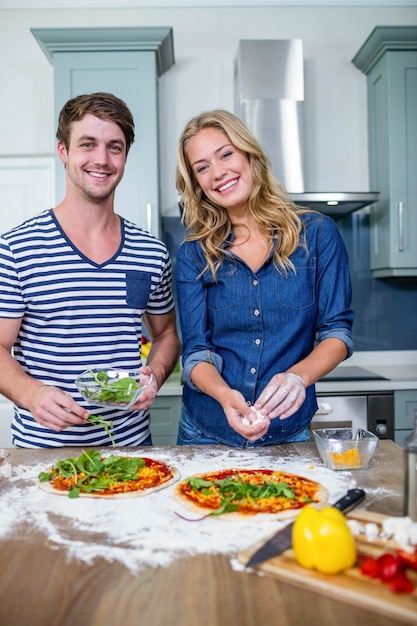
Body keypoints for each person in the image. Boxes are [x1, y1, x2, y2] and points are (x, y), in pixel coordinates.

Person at [0, 92, 181, 448]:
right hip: (44, 453)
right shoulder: (15, 249)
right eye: (88, 144)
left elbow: (166, 335)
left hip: (132, 451)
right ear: (63, 152)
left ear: (125, 156)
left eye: (115, 147)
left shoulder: (151, 252)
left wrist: (155, 376)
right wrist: (31, 393)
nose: (102, 159)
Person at [175, 109, 354, 448]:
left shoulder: (316, 235)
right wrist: (225, 395)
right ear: (197, 184)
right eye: (202, 167)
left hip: (288, 432)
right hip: (206, 431)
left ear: (248, 154)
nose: (218, 173)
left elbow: (337, 333)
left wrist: (297, 378)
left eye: (225, 154)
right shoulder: (194, 254)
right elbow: (197, 352)